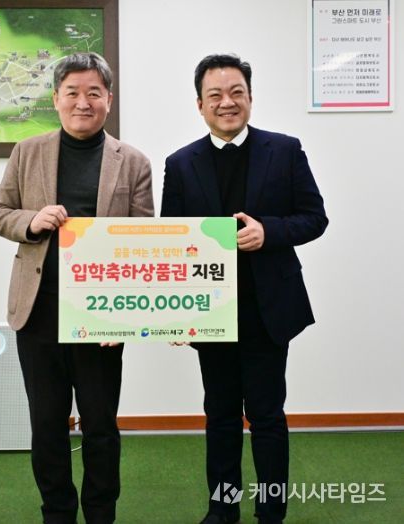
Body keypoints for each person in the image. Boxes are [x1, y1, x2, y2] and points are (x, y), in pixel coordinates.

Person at [161, 54, 328, 524]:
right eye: (215, 94)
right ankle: (223, 508)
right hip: (210, 311)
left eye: (236, 92)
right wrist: (174, 315)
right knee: (220, 416)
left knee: (268, 416)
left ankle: (271, 512)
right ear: (200, 104)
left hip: (267, 309)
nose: (227, 102)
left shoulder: (285, 150)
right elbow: (172, 239)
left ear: (250, 97)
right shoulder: (181, 163)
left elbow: (314, 218)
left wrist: (268, 231)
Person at [0, 52, 154, 524]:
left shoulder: (133, 162)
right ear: (56, 98)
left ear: (109, 100)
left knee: (100, 426)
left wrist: (125, 317)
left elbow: (143, 242)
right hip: (38, 314)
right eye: (73, 93)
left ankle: (101, 513)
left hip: (101, 318)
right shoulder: (27, 152)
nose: (84, 103)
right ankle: (57, 513)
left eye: (94, 93)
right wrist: (31, 221)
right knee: (46, 426)